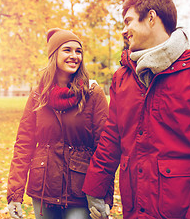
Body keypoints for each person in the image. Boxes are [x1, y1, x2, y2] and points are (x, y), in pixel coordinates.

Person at [82, 0, 190, 219]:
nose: (124, 31)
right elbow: (112, 136)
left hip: (182, 210)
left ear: (150, 17)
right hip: (135, 209)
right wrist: (95, 188)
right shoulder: (123, 77)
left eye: (128, 22)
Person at [7, 28, 112, 219]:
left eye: (78, 51)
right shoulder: (38, 95)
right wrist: (15, 193)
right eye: (67, 50)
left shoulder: (92, 94)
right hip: (43, 190)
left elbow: (105, 148)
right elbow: (24, 144)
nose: (74, 56)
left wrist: (104, 196)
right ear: (54, 54)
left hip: (80, 192)